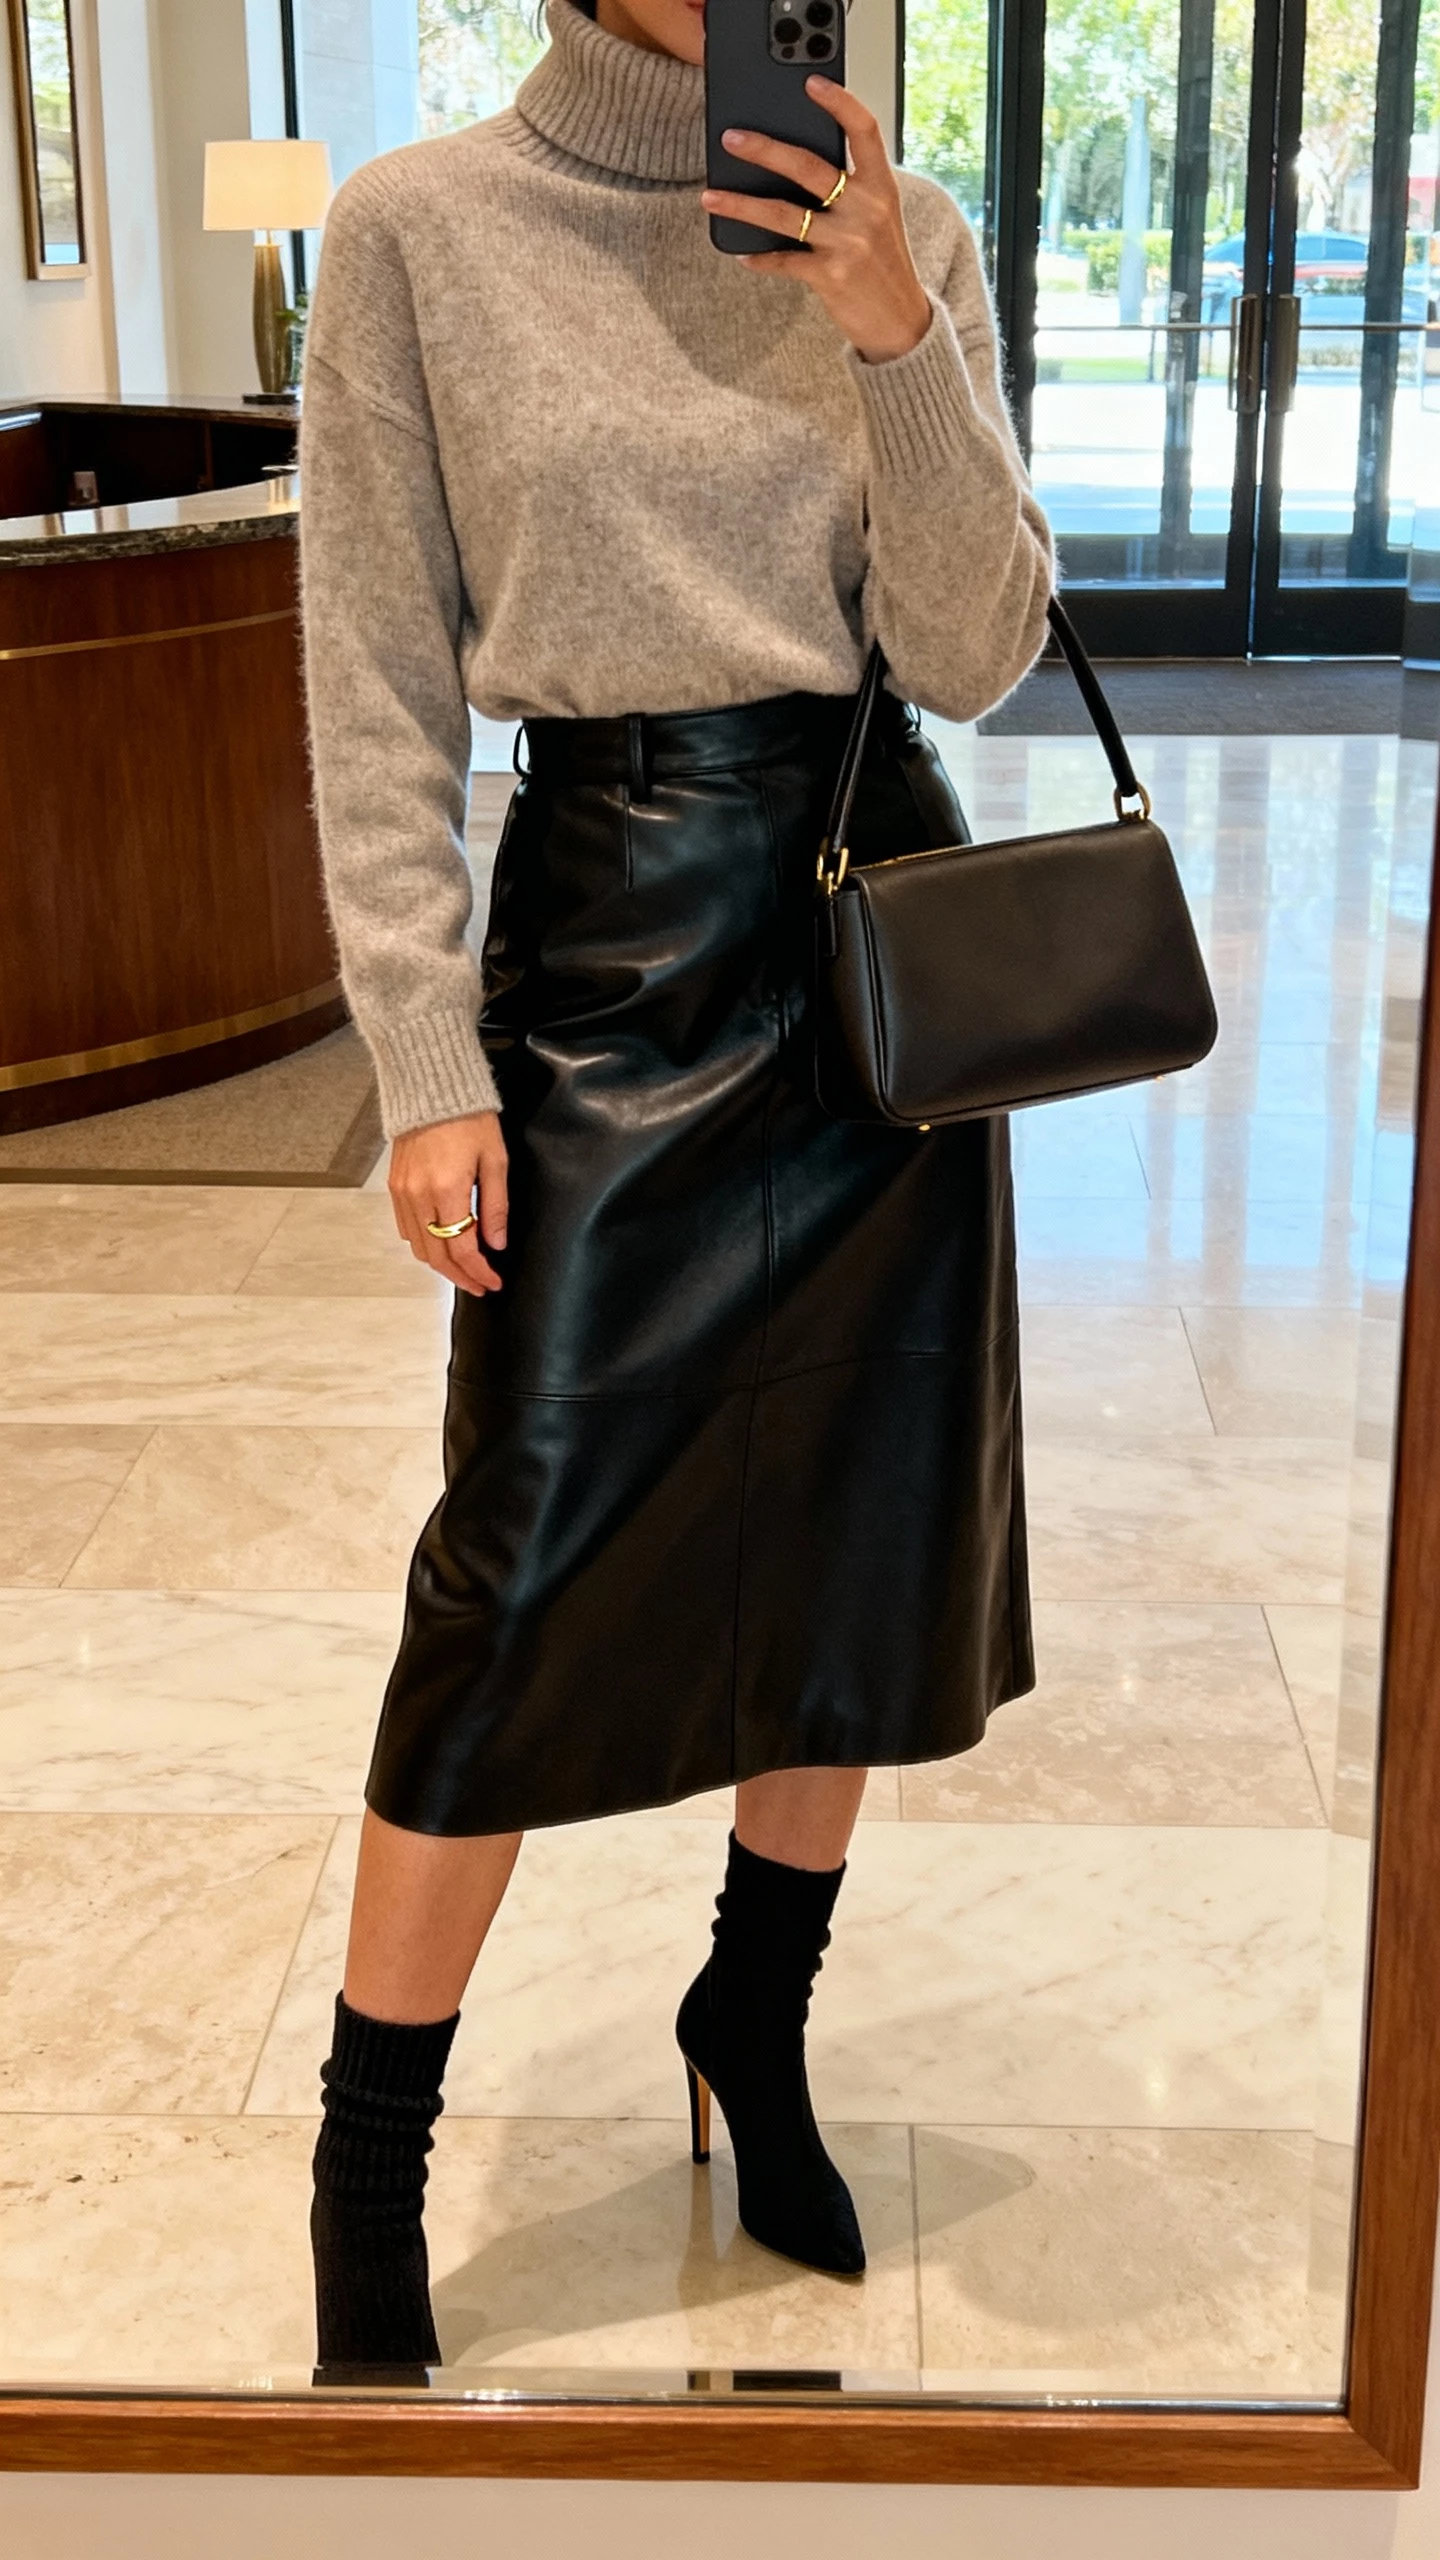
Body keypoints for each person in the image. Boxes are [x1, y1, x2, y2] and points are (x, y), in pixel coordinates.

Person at [300, 0, 1052, 2373]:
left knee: (846, 1527)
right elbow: (372, 682)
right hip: (605, 948)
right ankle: (368, 2146)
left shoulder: (895, 225)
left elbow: (981, 646)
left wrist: (892, 335)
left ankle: (756, 2010)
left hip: (868, 956)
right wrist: (426, 1049)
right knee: (510, 1580)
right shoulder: (419, 228)